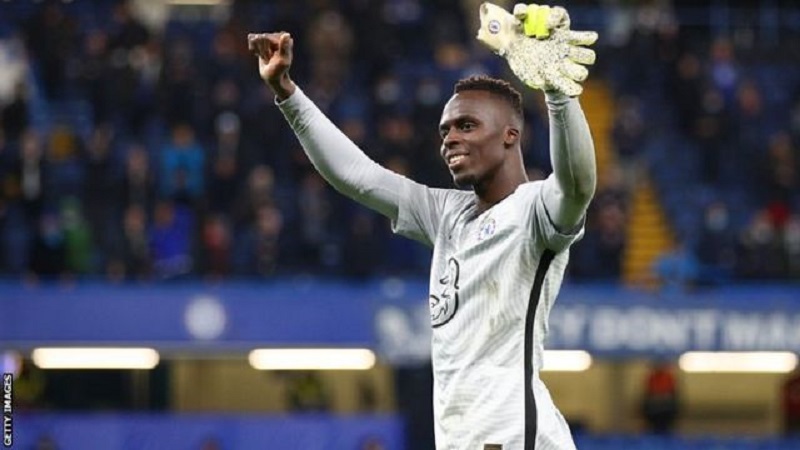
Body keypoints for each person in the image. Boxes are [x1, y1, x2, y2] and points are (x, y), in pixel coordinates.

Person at [248, 10, 597, 449]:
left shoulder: (535, 210)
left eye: (467, 126)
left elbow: (578, 185)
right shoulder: (447, 214)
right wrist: (286, 92)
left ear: (510, 136)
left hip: (512, 437)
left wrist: (558, 95)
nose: (450, 138)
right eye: (445, 130)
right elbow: (358, 176)